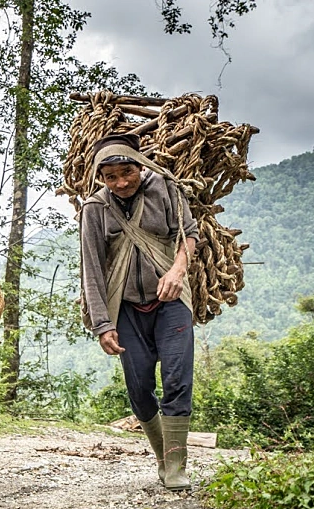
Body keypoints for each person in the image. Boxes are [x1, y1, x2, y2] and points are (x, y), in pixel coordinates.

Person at [79, 133, 198, 491]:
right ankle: (162, 456)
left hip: (171, 302)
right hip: (126, 308)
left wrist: (177, 272)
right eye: (110, 176)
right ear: (101, 178)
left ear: (140, 165)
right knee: (139, 386)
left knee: (178, 379)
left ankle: (176, 466)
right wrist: (102, 324)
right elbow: (92, 269)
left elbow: (188, 234)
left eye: (127, 171)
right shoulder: (95, 209)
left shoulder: (166, 189)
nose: (121, 182)